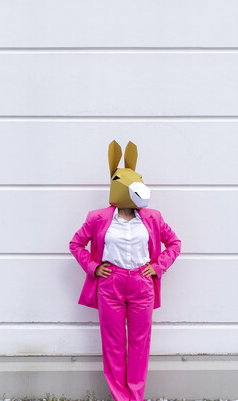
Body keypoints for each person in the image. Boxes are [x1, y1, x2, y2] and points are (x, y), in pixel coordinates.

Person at [69, 140, 181, 401]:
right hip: (111, 283)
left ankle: (136, 396)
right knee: (113, 345)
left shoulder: (153, 217)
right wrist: (94, 268)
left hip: (142, 283)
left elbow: (174, 243)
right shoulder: (98, 218)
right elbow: (76, 244)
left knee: (140, 345)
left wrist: (157, 267)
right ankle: (120, 398)